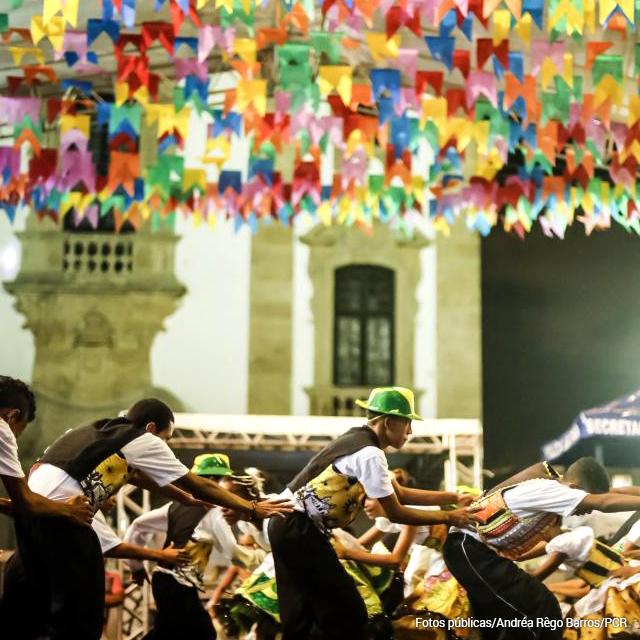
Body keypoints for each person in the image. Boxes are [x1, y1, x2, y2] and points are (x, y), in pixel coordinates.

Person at [2, 399, 291, 640]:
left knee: (27, 605)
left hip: (31, 514)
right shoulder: (142, 439)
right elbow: (200, 485)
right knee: (81, 617)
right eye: (165, 439)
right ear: (152, 428)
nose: (165, 446)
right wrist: (252, 508)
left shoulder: (90, 432)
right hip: (66, 519)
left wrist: (184, 498)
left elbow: (136, 474)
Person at [268, 386, 475, 640]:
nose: (410, 432)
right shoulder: (370, 454)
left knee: (301, 614)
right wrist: (449, 516)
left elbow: (402, 494)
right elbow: (396, 512)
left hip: (286, 524)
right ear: (389, 422)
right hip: (297, 527)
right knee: (348, 611)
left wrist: (453, 498)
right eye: (407, 424)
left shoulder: (356, 441)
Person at [443, 457, 640, 640]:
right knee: (540, 609)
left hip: (473, 552)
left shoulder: (552, 504)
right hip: (469, 549)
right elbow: (604, 502)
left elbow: (547, 544)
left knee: (506, 616)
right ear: (574, 488)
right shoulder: (552, 491)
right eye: (588, 503)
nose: (588, 510)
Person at [124, 454, 267, 640]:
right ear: (215, 482)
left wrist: (135, 566)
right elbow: (233, 553)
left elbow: (138, 526)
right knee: (194, 633)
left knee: (189, 632)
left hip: (164, 580)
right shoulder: (214, 510)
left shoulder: (174, 507)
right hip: (178, 583)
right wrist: (265, 556)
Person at [0, 375, 92, 525]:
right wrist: (69, 509)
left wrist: (9, 505)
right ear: (12, 416)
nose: (15, 438)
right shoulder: (2, 429)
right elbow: (26, 501)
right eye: (18, 431)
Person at [528, 524, 640, 638]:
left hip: (618, 583)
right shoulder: (570, 537)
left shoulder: (565, 543)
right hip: (614, 580)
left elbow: (538, 575)